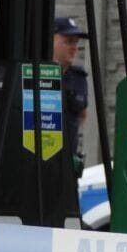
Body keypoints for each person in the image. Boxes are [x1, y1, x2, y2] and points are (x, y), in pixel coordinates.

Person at [53, 16, 90, 173]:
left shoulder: (78, 78)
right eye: (68, 41)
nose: (74, 48)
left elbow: (82, 115)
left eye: (76, 42)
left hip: (67, 167)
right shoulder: (33, 74)